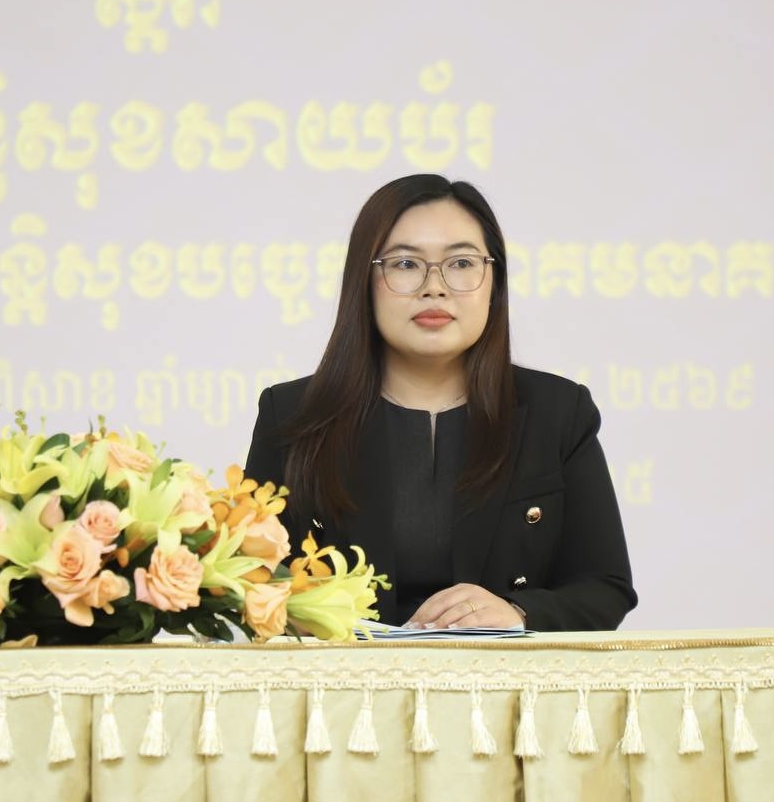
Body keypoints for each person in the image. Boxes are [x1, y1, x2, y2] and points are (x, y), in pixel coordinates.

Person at [245, 174, 637, 631]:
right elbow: (252, 579)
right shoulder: (293, 414)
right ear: (364, 281)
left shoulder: (559, 411)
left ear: (494, 282)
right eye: (405, 264)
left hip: (502, 674)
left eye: (462, 262)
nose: (434, 287)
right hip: (348, 674)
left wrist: (516, 612)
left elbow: (605, 587)